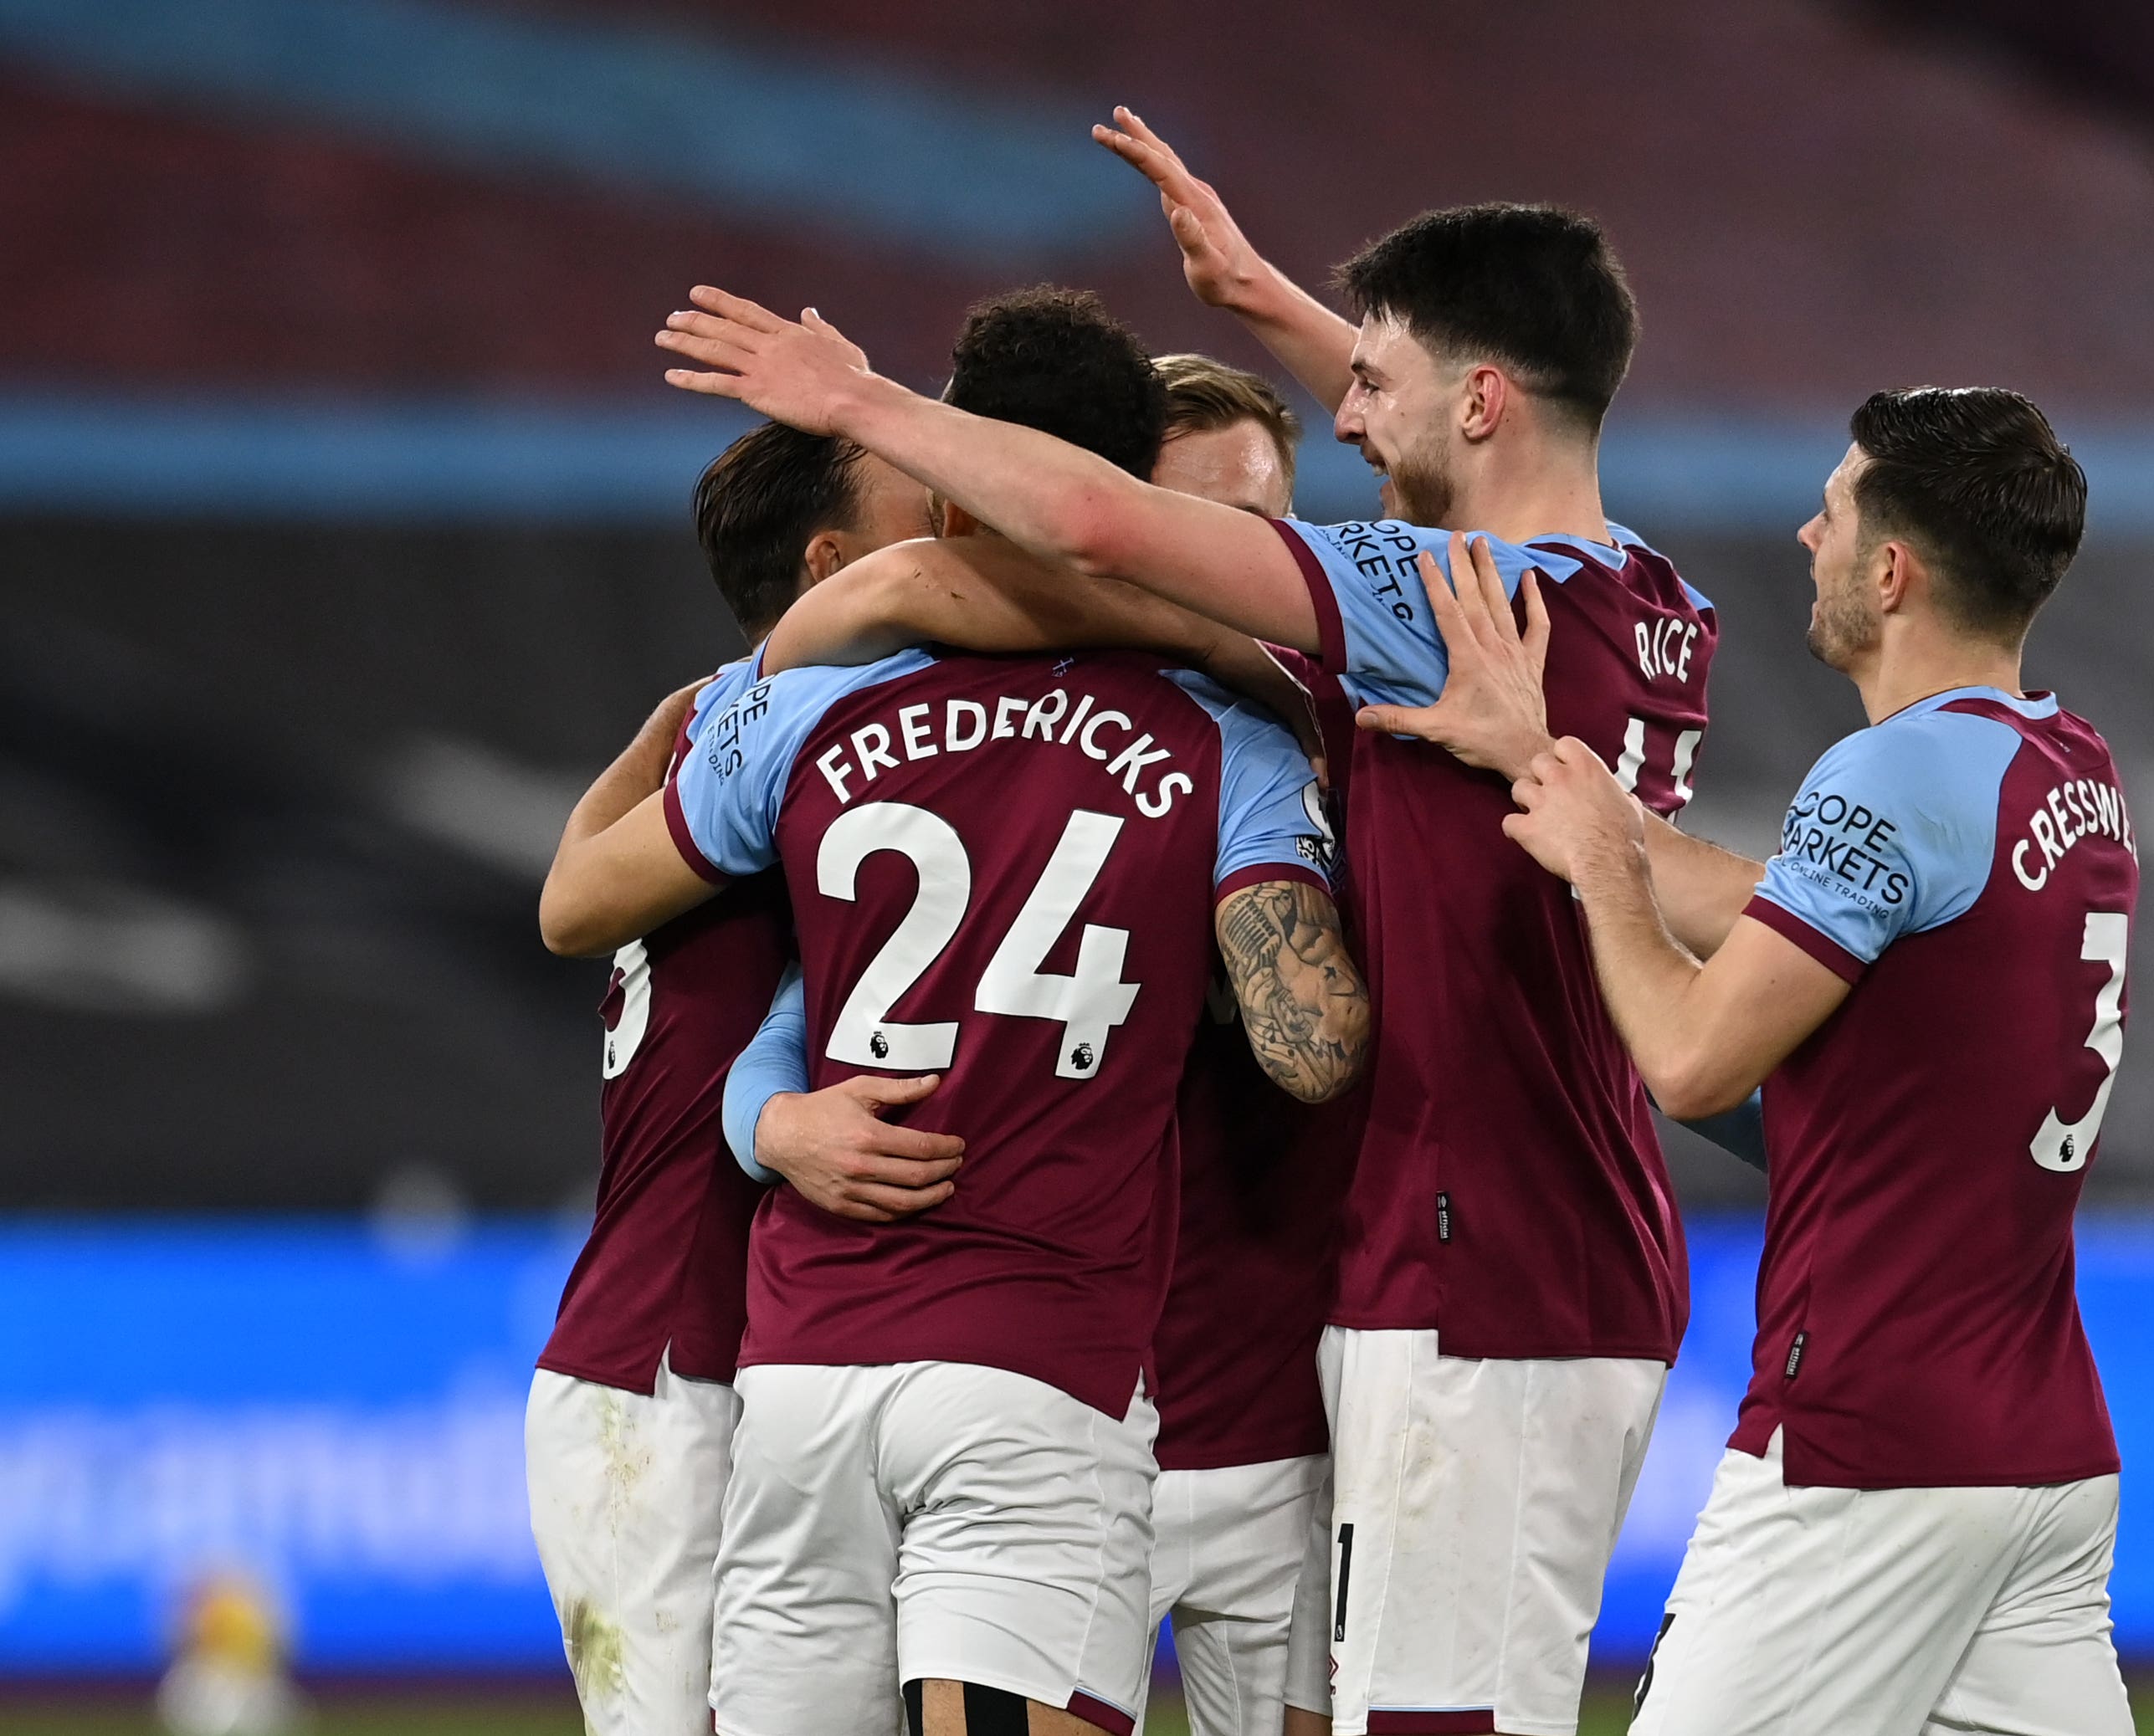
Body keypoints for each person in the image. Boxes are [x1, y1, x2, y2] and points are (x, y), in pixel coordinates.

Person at [654, 141, 1714, 1735]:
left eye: (1373, 385)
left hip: (1467, 1272)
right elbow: (1448, 442)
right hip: (1553, 1244)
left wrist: (862, 402)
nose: (1346, 418)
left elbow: (1096, 528)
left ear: (1483, 400)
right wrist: (1272, 305)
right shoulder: (1649, 598)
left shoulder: (1433, 601)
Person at [542, 287, 1372, 1736]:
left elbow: (581, 911)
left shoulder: (790, 708)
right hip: (1039, 1370)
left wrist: (766, 1110)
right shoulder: (1240, 736)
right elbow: (1312, 1047)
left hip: (799, 1375)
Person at [1385, 388, 2139, 1736]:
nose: (1807, 531)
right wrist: (1551, 769)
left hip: (1864, 1450)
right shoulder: (2064, 767)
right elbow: (1836, 995)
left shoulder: (1885, 777)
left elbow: (1685, 1059)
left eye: (1835, 508)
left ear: (1891, 572)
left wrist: (1602, 869)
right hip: (2039, 1456)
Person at [523, 421, 961, 1736]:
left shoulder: (729, 719)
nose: (956, 522)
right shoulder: (810, 732)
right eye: (922, 506)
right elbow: (564, 910)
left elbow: (571, 892)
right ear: (835, 561)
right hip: (670, 1363)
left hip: (757, 1353)